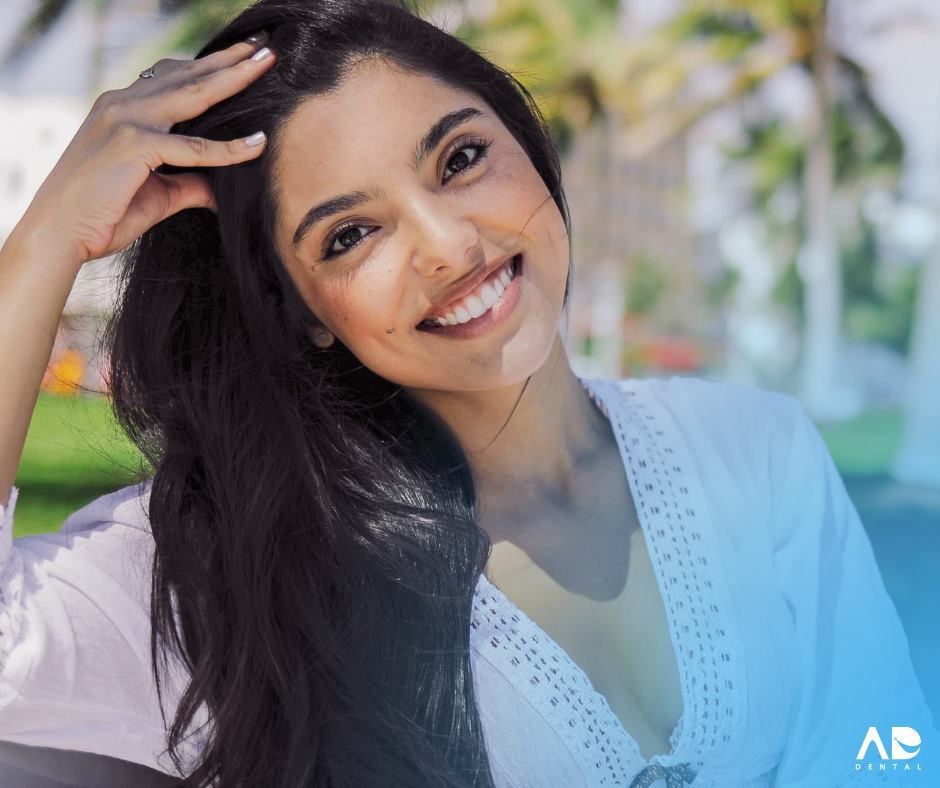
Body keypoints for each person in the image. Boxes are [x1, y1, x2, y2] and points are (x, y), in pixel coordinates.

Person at [0, 0, 935, 786]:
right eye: (349, 236)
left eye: (458, 159)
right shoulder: (237, 562)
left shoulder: (757, 450)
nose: (448, 246)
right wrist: (44, 240)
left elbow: (887, 751)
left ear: (526, 144)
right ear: (303, 312)